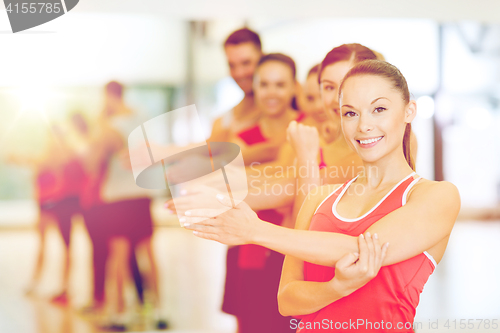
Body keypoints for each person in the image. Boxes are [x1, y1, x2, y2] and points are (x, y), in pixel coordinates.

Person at [180, 59, 461, 332]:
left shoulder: (436, 196)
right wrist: (335, 287)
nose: (364, 125)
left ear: (409, 111)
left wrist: (255, 230)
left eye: (379, 109)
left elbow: (360, 251)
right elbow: (287, 302)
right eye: (350, 113)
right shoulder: (319, 199)